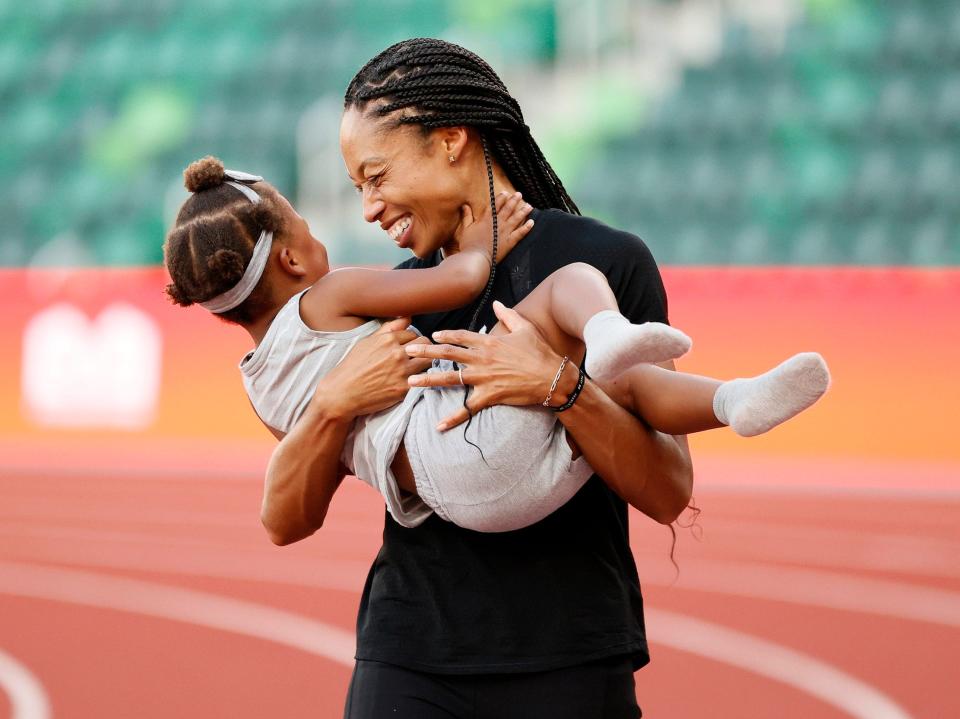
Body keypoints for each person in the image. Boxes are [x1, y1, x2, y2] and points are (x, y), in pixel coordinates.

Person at [257, 38, 820, 718]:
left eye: (375, 176)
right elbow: (286, 520)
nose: (370, 208)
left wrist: (561, 387)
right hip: (410, 655)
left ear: (451, 140)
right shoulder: (392, 298)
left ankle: (730, 398)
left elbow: (669, 489)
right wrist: (331, 405)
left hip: (571, 656)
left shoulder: (604, 261)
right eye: (358, 190)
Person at [163, 157, 828, 532]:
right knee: (571, 290)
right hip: (463, 432)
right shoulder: (327, 295)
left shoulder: (258, 383)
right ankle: (614, 333)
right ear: (291, 261)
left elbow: (300, 483)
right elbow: (464, 275)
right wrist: (487, 235)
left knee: (604, 383)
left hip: (460, 501)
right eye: (304, 222)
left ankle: (735, 399)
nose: (358, 210)